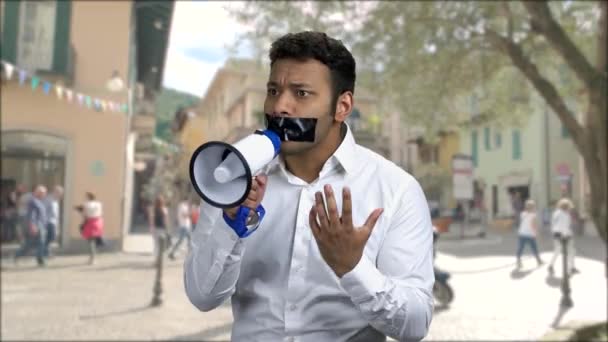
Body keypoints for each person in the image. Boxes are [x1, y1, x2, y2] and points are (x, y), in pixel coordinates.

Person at [184, 31, 434, 341]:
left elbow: (415, 324)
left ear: (342, 107)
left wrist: (353, 268)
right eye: (273, 90)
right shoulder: (233, 175)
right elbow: (202, 296)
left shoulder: (396, 190)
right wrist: (231, 227)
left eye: (300, 93)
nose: (280, 107)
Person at [14, 185, 48, 266]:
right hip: (36, 226)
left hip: (40, 226)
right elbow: (31, 215)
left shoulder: (40, 201)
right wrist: (33, 225)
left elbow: (42, 215)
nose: (44, 194)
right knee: (38, 243)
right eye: (42, 193)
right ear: (37, 193)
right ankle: (40, 260)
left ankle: (17, 255)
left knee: (31, 244)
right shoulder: (33, 201)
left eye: (44, 193)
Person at [548, 198, 578, 276]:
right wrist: (566, 235)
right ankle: (570, 270)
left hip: (556, 234)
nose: (570, 208)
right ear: (566, 206)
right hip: (564, 235)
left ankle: (551, 265)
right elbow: (563, 226)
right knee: (570, 252)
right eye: (569, 206)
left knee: (558, 251)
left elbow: (553, 224)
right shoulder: (564, 214)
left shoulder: (556, 213)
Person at [76, 192, 104, 265]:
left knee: (91, 241)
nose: (85, 198)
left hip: (90, 222)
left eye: (86, 197)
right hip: (99, 221)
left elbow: (84, 214)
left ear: (88, 197)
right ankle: (94, 255)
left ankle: (92, 258)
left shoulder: (87, 204)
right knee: (96, 238)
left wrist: (79, 210)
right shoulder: (98, 203)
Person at [515, 199, 543, 269]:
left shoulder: (522, 214)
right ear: (533, 207)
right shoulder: (533, 215)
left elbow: (522, 223)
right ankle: (538, 260)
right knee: (534, 248)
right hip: (530, 234)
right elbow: (533, 225)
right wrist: (536, 233)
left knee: (520, 248)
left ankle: (518, 261)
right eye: (534, 206)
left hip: (522, 233)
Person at [44, 185, 64, 257]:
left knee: (51, 237)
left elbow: (56, 213)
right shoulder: (48, 199)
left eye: (62, 193)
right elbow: (44, 210)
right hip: (48, 222)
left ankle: (45, 251)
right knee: (50, 237)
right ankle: (45, 252)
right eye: (60, 193)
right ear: (55, 192)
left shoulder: (56, 200)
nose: (61, 195)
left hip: (53, 222)